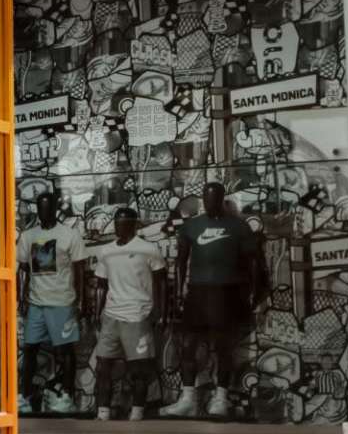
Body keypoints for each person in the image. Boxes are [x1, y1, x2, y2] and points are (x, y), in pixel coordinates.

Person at [173, 179, 265, 419]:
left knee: (223, 347)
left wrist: (256, 290)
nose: (209, 202)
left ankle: (221, 397)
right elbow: (180, 261)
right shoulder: (191, 226)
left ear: (222, 199)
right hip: (197, 292)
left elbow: (254, 261)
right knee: (188, 347)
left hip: (227, 292)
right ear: (203, 200)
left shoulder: (238, 226)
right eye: (206, 198)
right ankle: (188, 399)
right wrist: (178, 292)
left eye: (214, 198)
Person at [78, 202, 173, 418]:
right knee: (103, 366)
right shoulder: (107, 251)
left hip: (138, 315)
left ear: (133, 224)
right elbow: (101, 284)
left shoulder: (148, 248)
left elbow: (161, 283)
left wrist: (161, 312)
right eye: (117, 222)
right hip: (111, 316)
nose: (119, 226)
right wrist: (96, 313)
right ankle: (103, 413)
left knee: (139, 369)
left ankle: (137, 413)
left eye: (124, 222)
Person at [18, 185, 83, 410]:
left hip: (62, 301)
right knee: (29, 349)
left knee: (65, 351)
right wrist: (21, 298)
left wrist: (81, 300)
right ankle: (24, 395)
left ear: (55, 209)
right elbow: (24, 270)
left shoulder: (70, 235)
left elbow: (80, 270)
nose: (44, 211)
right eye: (41, 208)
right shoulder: (28, 236)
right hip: (37, 302)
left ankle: (66, 395)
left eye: (48, 207)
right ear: (37, 210)